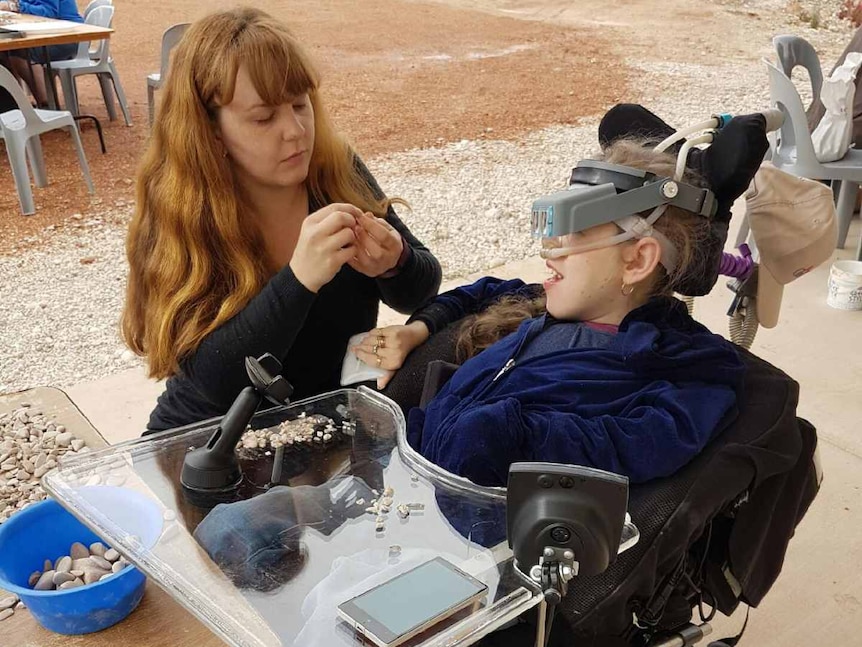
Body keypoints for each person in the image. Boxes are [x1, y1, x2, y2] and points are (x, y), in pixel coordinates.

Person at [122, 8, 442, 432]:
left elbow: (420, 291)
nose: (295, 131)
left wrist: (395, 262)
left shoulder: (335, 170)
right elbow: (216, 381)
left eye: (300, 104)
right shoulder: (181, 205)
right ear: (210, 129)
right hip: (211, 439)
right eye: (263, 117)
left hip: (327, 425)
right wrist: (298, 279)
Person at [356, 140, 746, 487]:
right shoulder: (553, 303)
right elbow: (482, 291)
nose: (550, 245)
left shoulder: (669, 366)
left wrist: (509, 430)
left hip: (473, 535)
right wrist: (418, 330)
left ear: (637, 260)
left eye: (575, 231)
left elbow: (647, 441)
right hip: (411, 478)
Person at [0, 0, 84, 107]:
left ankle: (47, 104)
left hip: (68, 36)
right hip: (41, 33)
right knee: (3, 52)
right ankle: (15, 104)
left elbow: (50, 12)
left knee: (20, 53)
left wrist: (15, 6)